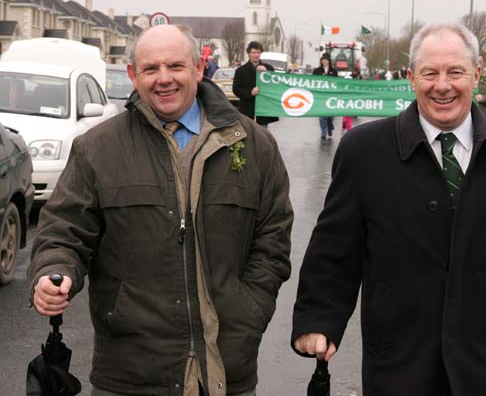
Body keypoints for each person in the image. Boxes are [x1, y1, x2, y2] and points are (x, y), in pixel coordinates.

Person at [291, 23, 486, 396]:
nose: (442, 85)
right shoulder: (364, 151)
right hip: (398, 361)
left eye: (455, 72)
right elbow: (335, 249)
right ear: (412, 78)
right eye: (430, 73)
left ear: (476, 75)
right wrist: (318, 319)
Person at [27, 24, 294, 396]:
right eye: (151, 69)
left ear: (199, 69)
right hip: (129, 373)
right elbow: (63, 230)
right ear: (134, 75)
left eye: (175, 66)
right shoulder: (97, 149)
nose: (163, 79)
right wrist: (52, 270)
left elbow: (273, 241)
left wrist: (248, 310)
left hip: (226, 370)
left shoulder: (255, 146)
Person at [233, 41, 278, 128]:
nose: (256, 55)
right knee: (249, 136)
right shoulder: (240, 71)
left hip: (263, 111)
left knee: (263, 137)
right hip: (247, 110)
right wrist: (250, 92)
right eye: (253, 52)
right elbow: (236, 90)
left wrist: (266, 73)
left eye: (258, 52)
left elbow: (275, 85)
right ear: (249, 53)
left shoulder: (269, 68)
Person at [312, 53, 338, 139]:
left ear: (329, 61)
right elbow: (312, 81)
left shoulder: (334, 71)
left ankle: (330, 127)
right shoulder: (317, 71)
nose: (324, 61)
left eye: (326, 60)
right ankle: (324, 131)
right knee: (322, 115)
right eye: (323, 60)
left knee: (331, 115)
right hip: (321, 96)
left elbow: (337, 82)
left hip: (331, 96)